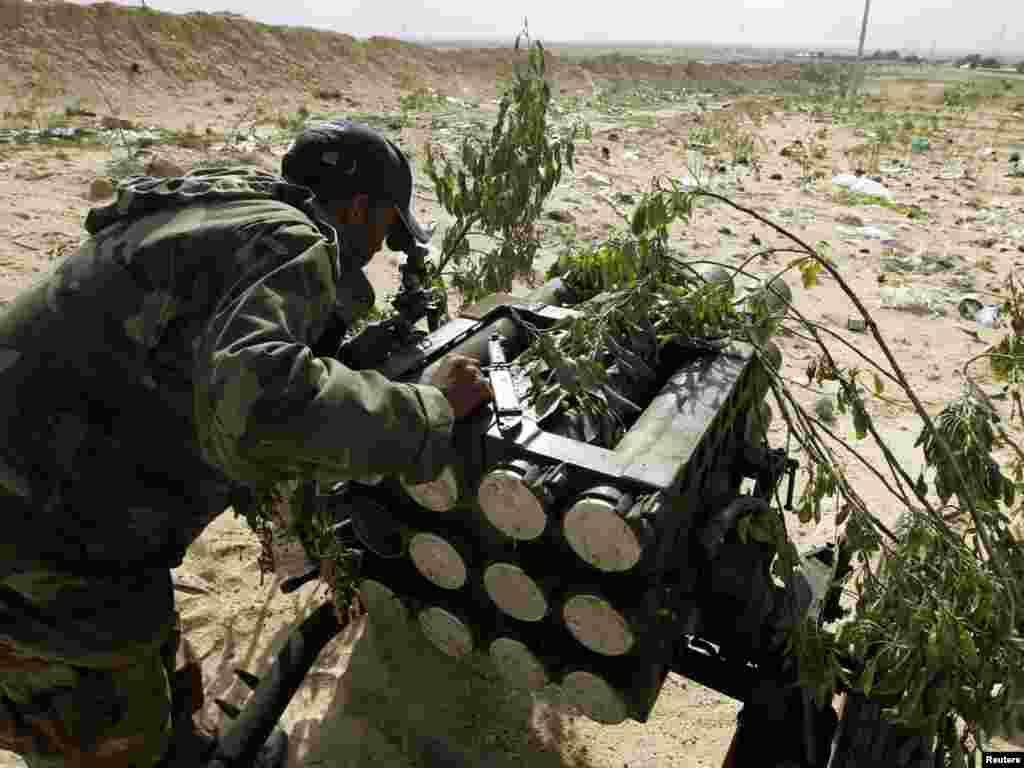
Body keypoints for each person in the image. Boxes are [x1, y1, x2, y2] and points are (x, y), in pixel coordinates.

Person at [0, 119, 493, 767]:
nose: (378, 250)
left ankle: (183, 747)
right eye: (385, 230)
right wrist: (430, 409)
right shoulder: (292, 241)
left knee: (141, 652)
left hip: (68, 496)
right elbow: (261, 410)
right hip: (43, 539)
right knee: (96, 712)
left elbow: (198, 368)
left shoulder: (225, 217)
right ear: (354, 208)